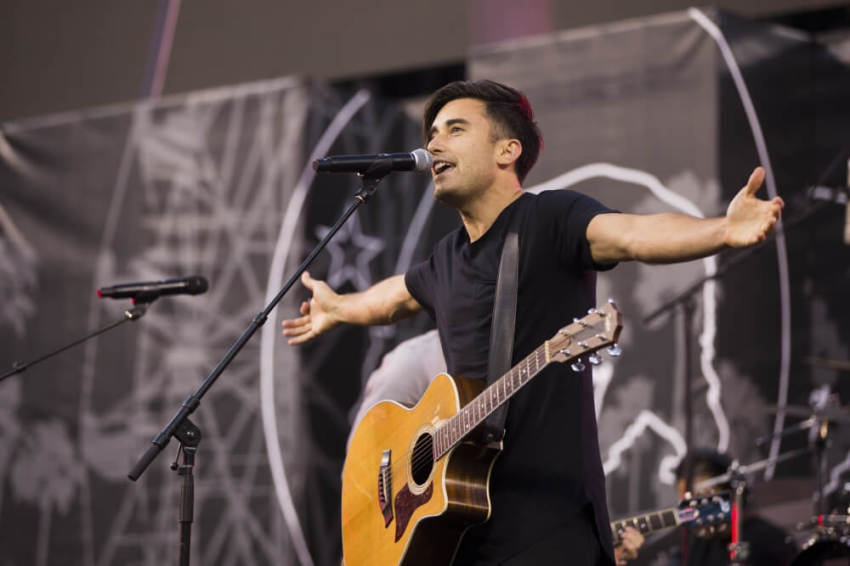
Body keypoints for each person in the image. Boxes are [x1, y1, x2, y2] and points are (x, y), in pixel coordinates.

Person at [282, 80, 783, 565]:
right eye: (431, 132)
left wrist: (722, 229)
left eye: (455, 129)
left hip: (549, 527)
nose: (434, 142)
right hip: (460, 530)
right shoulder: (445, 258)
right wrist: (340, 307)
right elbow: (394, 296)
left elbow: (632, 234)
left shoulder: (550, 219)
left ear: (507, 151)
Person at [670, 449, 796, 566]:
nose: (691, 509)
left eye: (700, 498)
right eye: (685, 501)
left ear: (731, 493)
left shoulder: (767, 541)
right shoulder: (695, 544)